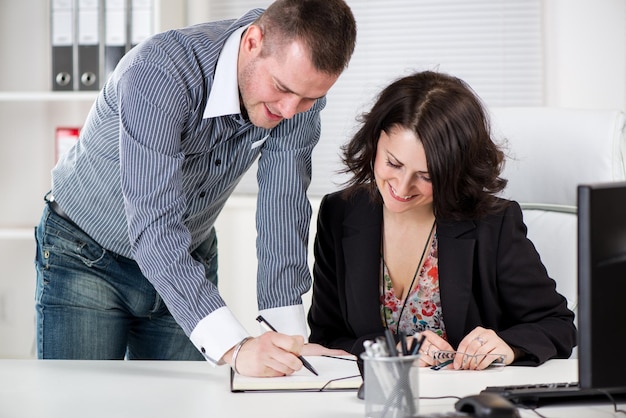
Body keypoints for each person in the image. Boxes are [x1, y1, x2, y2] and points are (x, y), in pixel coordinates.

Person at [34, 0, 356, 377]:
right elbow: (154, 225)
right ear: (253, 41)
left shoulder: (297, 90)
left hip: (188, 257)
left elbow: (283, 204)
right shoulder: (159, 73)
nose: (289, 110)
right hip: (86, 256)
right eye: (281, 89)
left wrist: (290, 340)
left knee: (179, 407)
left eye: (309, 99)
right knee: (81, 404)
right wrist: (236, 348)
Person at [307, 71, 576, 369]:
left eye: (426, 176)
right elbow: (327, 338)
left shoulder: (493, 224)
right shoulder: (339, 212)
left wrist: (509, 346)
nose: (402, 186)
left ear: (454, 171)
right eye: (393, 163)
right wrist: (392, 350)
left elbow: (558, 325)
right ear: (374, 141)